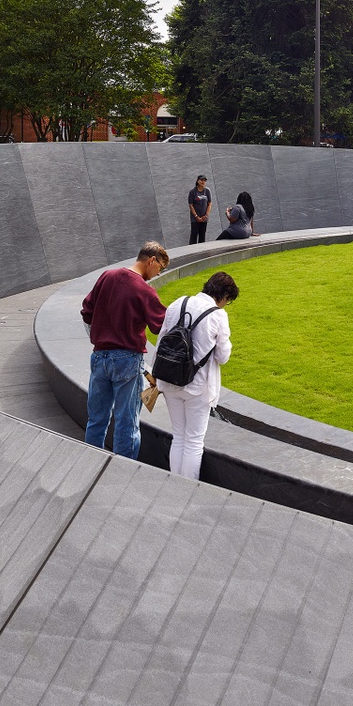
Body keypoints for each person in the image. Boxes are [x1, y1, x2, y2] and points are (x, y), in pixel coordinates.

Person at [80, 241, 169, 459]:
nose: (158, 274)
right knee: (126, 423)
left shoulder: (107, 276)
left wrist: (103, 331)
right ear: (151, 261)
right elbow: (161, 326)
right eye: (160, 268)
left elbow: (86, 311)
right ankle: (123, 475)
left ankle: (90, 463)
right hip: (127, 359)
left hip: (99, 356)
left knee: (96, 419)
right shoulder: (144, 290)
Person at [155, 271, 239, 480]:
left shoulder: (178, 303)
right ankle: (188, 489)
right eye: (227, 301)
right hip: (198, 385)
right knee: (193, 441)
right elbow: (223, 356)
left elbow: (161, 340)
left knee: (179, 437)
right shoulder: (218, 315)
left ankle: (175, 483)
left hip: (169, 379)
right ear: (223, 296)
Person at [188, 175, 213, 244]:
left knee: (202, 235)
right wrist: (196, 216)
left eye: (204, 180)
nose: (203, 182)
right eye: (201, 180)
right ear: (197, 181)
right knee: (194, 235)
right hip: (195, 218)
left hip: (204, 218)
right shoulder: (192, 192)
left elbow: (209, 203)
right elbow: (191, 205)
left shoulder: (207, 191)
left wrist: (206, 215)